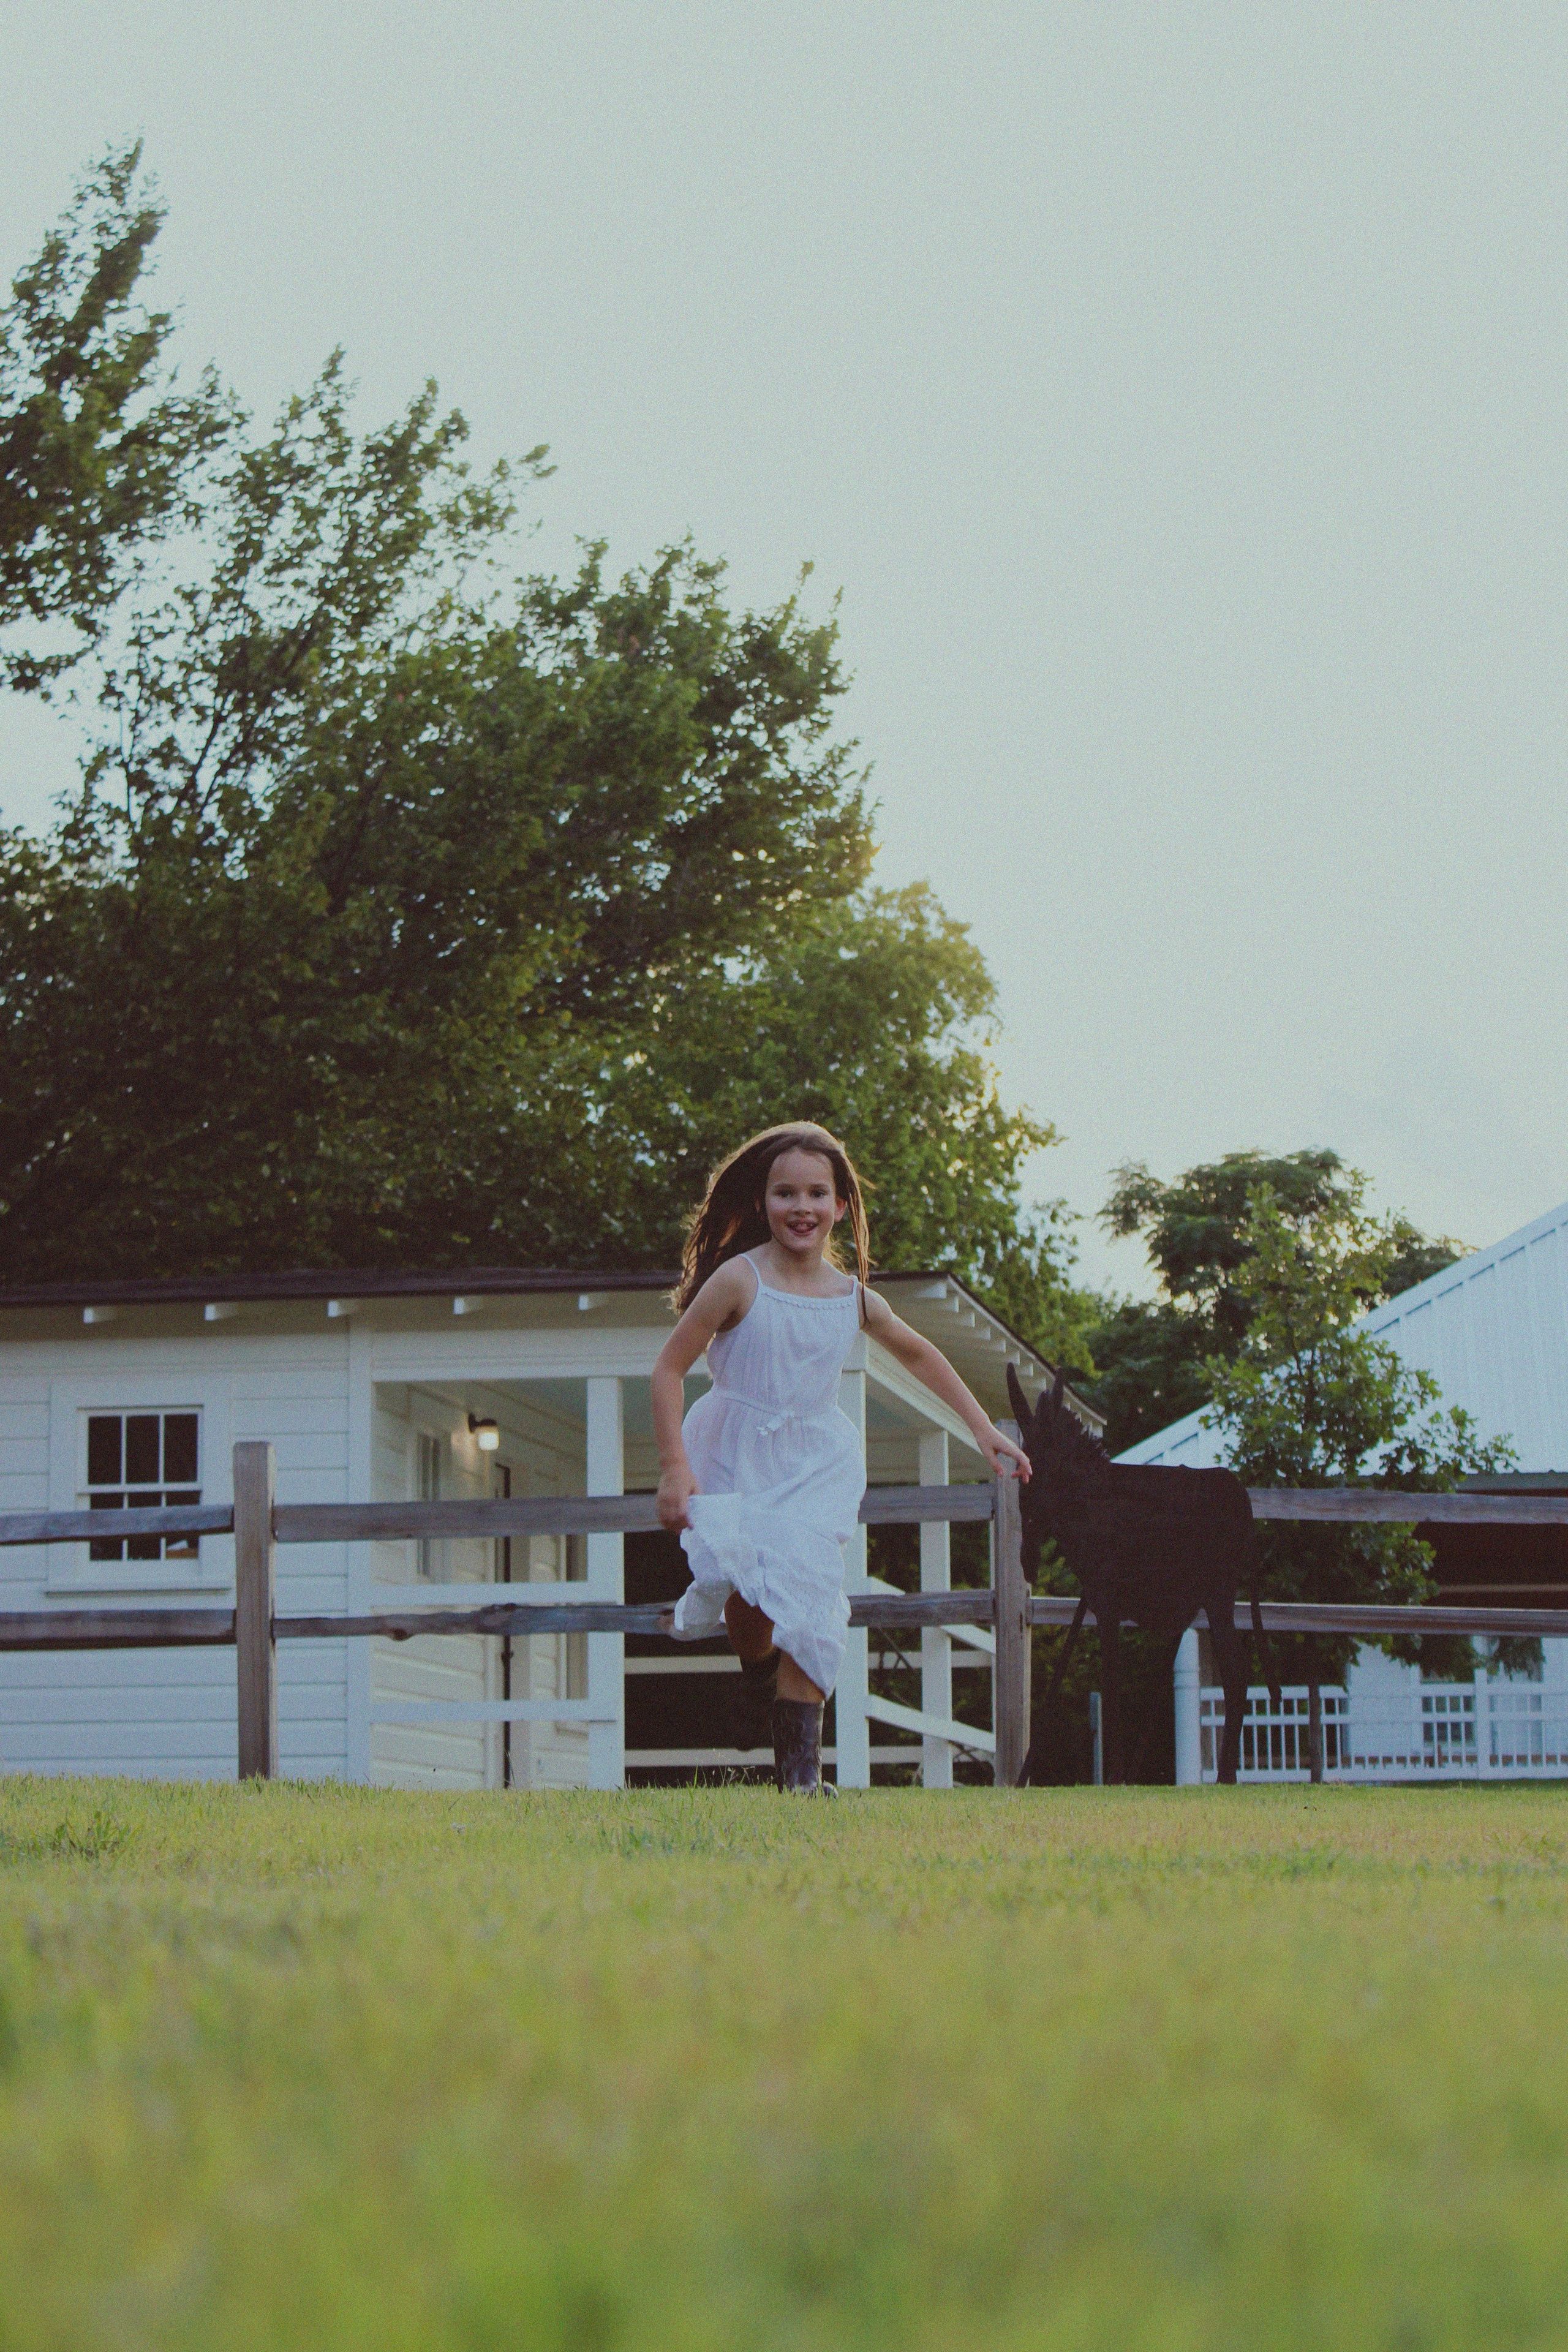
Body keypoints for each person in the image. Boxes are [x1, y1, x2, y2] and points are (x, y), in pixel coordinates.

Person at [652, 1121, 1031, 1794]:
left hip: (813, 1466)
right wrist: (675, 1467)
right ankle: (756, 1673)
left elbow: (918, 1352)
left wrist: (981, 1429)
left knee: (813, 1598)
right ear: (763, 1202)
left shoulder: (852, 1298)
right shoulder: (738, 1281)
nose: (801, 1208)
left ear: (841, 1206)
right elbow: (669, 1368)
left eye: (816, 1194)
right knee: (746, 1593)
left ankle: (801, 1779)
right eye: (785, 1193)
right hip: (736, 1451)